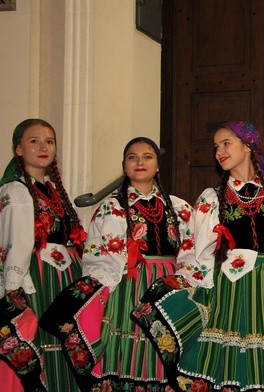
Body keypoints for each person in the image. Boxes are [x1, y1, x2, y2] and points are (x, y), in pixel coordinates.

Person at [132, 121, 264, 392]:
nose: (219, 151)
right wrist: (193, 284)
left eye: (226, 143)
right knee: (234, 361)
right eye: (216, 146)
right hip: (233, 289)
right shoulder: (212, 197)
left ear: (248, 146)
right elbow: (197, 249)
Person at [39, 136, 195, 391]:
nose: (140, 162)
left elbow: (191, 249)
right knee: (128, 352)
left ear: (157, 166)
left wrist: (183, 281)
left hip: (166, 287)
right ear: (124, 166)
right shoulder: (112, 208)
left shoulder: (179, 207)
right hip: (127, 286)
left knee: (164, 353)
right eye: (132, 157)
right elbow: (96, 254)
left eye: (147, 157)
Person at [0, 118, 86, 391]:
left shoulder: (51, 188)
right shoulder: (16, 191)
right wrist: (14, 295)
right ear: (19, 150)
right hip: (38, 278)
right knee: (43, 345)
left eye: (49, 141)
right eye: (33, 141)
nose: (43, 147)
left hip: (64, 276)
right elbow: (14, 245)